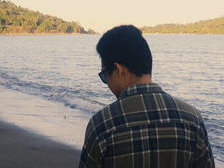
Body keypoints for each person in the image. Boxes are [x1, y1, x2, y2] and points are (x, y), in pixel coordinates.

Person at [79, 25, 215, 168]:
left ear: (119, 70)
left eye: (105, 76)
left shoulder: (102, 124)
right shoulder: (192, 119)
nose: (106, 83)